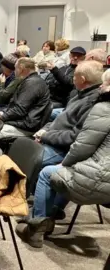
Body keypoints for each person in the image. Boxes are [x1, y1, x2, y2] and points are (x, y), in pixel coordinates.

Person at [17, 69, 110, 248]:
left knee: (46, 172)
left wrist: (65, 162)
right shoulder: (82, 97)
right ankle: (50, 213)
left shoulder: (102, 108)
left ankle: (37, 226)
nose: (101, 87)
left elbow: (81, 146)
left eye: (104, 84)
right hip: (99, 171)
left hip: (97, 177)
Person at [35, 60, 103, 168]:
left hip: (61, 149)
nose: (73, 79)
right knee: (20, 153)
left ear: (82, 79)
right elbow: (59, 118)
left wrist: (46, 136)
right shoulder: (78, 95)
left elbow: (74, 137)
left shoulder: (91, 102)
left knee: (26, 161)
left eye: (75, 76)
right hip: (51, 139)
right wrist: (44, 130)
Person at [0, 58, 51, 140]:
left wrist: (3, 117)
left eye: (15, 68)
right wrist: (4, 112)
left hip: (27, 125)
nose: (14, 71)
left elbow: (19, 110)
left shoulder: (32, 83)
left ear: (21, 69)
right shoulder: (31, 80)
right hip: (23, 121)